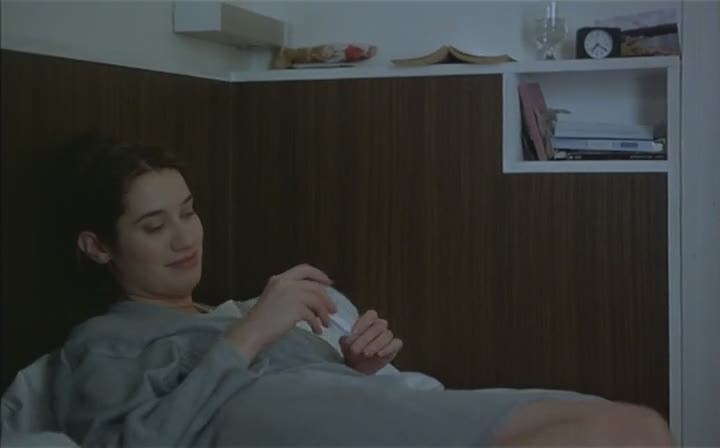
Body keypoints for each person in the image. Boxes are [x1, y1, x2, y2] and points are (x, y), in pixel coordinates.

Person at [47, 136, 673, 446]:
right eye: (154, 226)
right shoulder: (101, 342)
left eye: (188, 212)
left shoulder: (223, 315)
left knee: (640, 426)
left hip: (344, 405)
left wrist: (356, 364)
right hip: (274, 419)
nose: (185, 238)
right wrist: (252, 332)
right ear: (97, 246)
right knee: (618, 433)